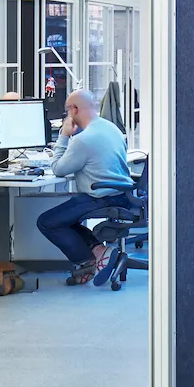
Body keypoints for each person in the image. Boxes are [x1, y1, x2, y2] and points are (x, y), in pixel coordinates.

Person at [36, 88, 135, 285]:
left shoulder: (82, 140)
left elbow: (58, 168)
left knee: (47, 222)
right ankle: (97, 253)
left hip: (102, 196)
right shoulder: (111, 128)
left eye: (67, 111)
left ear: (73, 110)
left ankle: (91, 259)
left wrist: (64, 136)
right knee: (67, 218)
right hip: (124, 194)